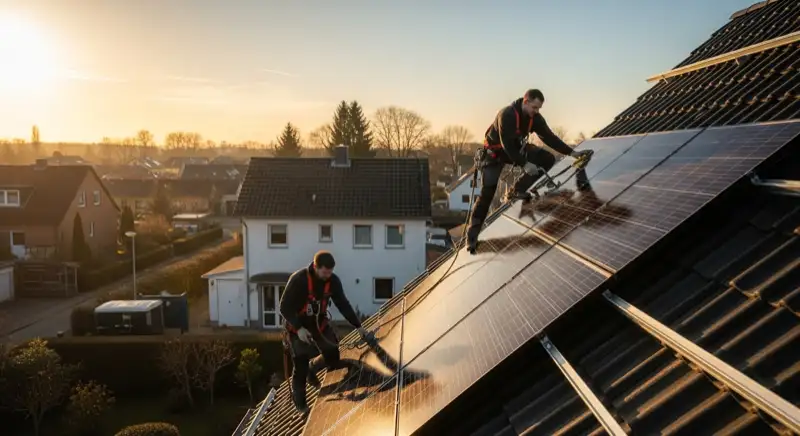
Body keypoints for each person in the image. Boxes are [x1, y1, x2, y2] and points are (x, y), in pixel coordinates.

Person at [466, 89, 593, 253]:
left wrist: (571, 152)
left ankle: (517, 190)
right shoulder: (507, 115)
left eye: (539, 108)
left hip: (516, 150)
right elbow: (507, 145)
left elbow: (549, 137)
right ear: (525, 102)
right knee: (487, 193)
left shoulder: (535, 119)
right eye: (534, 107)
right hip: (494, 154)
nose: (536, 111)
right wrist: (525, 164)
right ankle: (472, 236)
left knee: (547, 159)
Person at [280, 250, 368, 414]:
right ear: (315, 266)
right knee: (300, 366)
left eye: (330, 272)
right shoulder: (299, 280)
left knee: (333, 355)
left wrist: (358, 326)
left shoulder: (333, 282)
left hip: (318, 324)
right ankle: (301, 407)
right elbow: (284, 306)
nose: (327, 276)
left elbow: (343, 304)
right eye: (324, 272)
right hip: (296, 327)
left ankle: (314, 367)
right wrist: (299, 329)